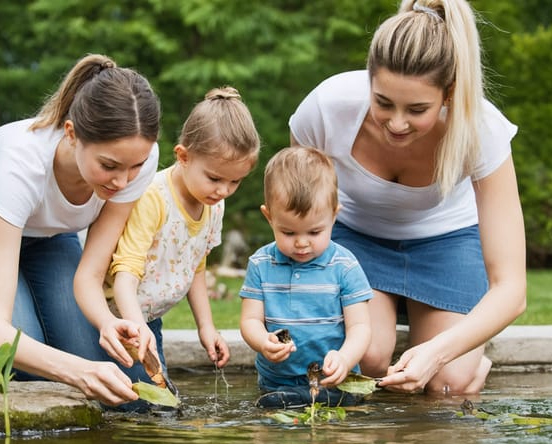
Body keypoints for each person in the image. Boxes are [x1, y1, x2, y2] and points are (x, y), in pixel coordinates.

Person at [289, 0, 526, 395]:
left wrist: (437, 353)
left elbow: (512, 289)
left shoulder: (482, 131)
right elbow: (296, 213)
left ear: (449, 93)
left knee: (447, 383)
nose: (396, 124)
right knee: (367, 358)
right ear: (369, 80)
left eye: (417, 109)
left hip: (448, 242)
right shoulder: (325, 107)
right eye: (383, 103)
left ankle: (471, 364)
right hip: (355, 238)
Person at [0, 54, 160, 406]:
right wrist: (78, 371)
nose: (123, 180)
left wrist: (109, 322)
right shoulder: (21, 163)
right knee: (31, 365)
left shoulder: (136, 159)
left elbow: (91, 274)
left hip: (50, 234)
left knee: (112, 368)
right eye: (109, 165)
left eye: (135, 167)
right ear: (71, 134)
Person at [104, 87, 261, 382]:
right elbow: (124, 274)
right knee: (129, 401)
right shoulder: (153, 199)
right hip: (119, 319)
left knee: (160, 401)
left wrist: (206, 327)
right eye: (214, 178)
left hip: (151, 318)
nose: (223, 190)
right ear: (183, 156)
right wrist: (137, 328)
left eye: (235, 182)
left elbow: (196, 266)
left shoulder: (214, 204)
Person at [240, 146, 374, 408]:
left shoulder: (344, 266)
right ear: (269, 217)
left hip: (334, 382)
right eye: (288, 233)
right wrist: (262, 341)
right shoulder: (260, 264)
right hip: (277, 384)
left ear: (334, 215)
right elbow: (250, 320)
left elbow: (360, 327)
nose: (301, 243)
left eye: (314, 232)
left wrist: (345, 359)